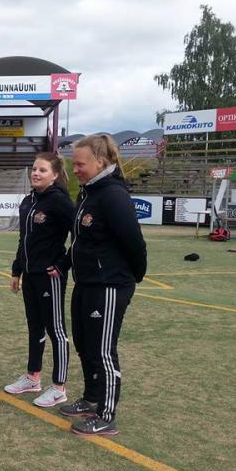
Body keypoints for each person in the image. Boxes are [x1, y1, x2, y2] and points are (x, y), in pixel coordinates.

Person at [58, 135, 147, 437]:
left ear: (100, 161)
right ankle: (91, 398)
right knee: (85, 344)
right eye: (73, 164)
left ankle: (106, 415)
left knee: (103, 350)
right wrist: (65, 263)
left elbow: (134, 243)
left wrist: (132, 277)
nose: (76, 170)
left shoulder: (113, 195)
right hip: (86, 283)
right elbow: (81, 241)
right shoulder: (88, 193)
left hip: (109, 285)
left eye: (80, 164)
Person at [5, 152, 75, 406]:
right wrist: (17, 270)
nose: (36, 173)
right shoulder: (28, 201)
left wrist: (62, 264)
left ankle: (59, 387)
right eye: (34, 169)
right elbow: (23, 240)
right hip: (30, 274)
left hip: (50, 276)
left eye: (42, 170)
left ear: (54, 175)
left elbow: (80, 236)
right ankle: (32, 377)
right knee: (34, 327)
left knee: (56, 330)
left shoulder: (60, 201)